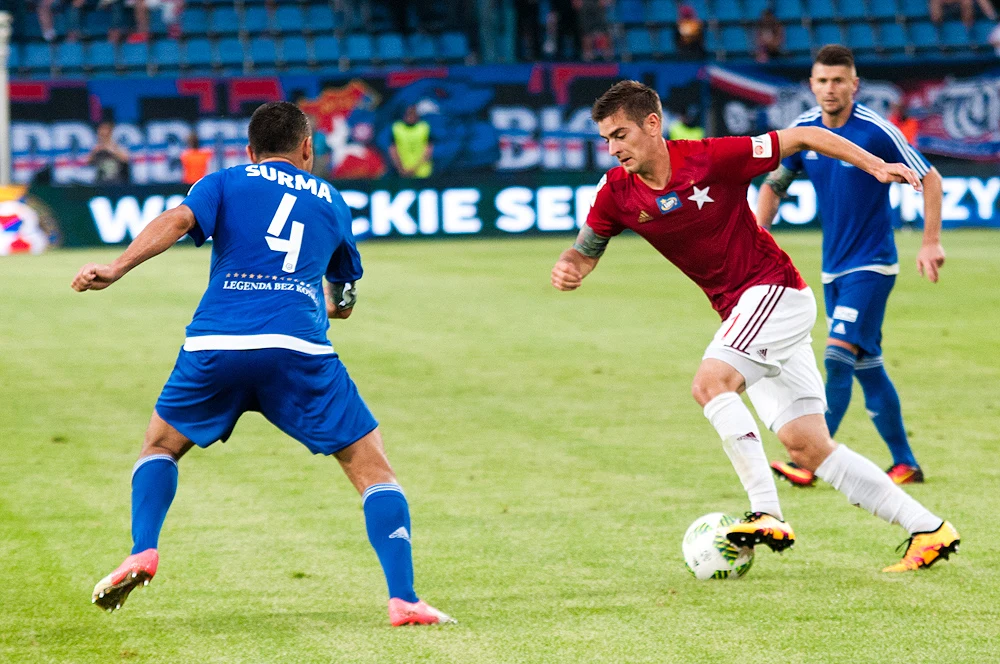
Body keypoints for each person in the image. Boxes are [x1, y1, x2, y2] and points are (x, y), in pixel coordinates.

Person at [550, 80, 959, 573]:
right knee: (808, 447)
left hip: (774, 293)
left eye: (620, 135)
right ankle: (929, 529)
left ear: (652, 125)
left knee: (710, 384)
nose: (613, 149)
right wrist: (573, 265)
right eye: (606, 140)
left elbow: (804, 137)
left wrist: (874, 166)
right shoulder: (616, 191)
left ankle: (766, 512)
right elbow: (586, 248)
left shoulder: (711, 157)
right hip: (749, 312)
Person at [72, 102, 454, 626]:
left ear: (251, 152)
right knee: (371, 469)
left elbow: (178, 219)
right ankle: (404, 599)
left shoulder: (225, 180)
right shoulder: (333, 200)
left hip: (217, 344)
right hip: (299, 350)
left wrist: (116, 267)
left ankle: (143, 548)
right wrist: (334, 305)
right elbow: (342, 296)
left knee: (160, 445)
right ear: (307, 150)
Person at [757, 46, 944, 488]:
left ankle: (811, 461)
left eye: (839, 80)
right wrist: (758, 233)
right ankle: (905, 462)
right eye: (822, 81)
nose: (830, 89)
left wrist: (930, 242)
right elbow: (774, 183)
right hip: (833, 270)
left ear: (854, 85)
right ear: (811, 84)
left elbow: (930, 178)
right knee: (868, 365)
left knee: (837, 357)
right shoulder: (803, 130)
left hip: (873, 266)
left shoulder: (876, 131)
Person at [389, 105, 433, 178]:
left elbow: (428, 150)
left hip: (422, 171)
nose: (410, 116)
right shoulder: (397, 127)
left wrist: (414, 169)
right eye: (408, 114)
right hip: (402, 171)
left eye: (413, 114)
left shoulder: (424, 127)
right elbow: (393, 150)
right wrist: (400, 168)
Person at [89, 119, 130, 185]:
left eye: (105, 129)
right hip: (100, 181)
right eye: (101, 130)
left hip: (117, 181)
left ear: (110, 131)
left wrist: (111, 150)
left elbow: (126, 159)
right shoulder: (96, 147)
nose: (102, 132)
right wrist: (94, 152)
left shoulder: (117, 145)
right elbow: (86, 162)